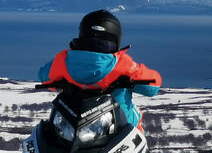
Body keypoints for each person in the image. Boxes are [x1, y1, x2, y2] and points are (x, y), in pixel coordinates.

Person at [38, 9, 161, 143]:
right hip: (118, 131)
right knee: (137, 142)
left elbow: (44, 76)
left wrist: (62, 83)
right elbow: (152, 87)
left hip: (71, 131)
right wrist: (131, 79)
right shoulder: (121, 64)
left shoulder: (63, 60)